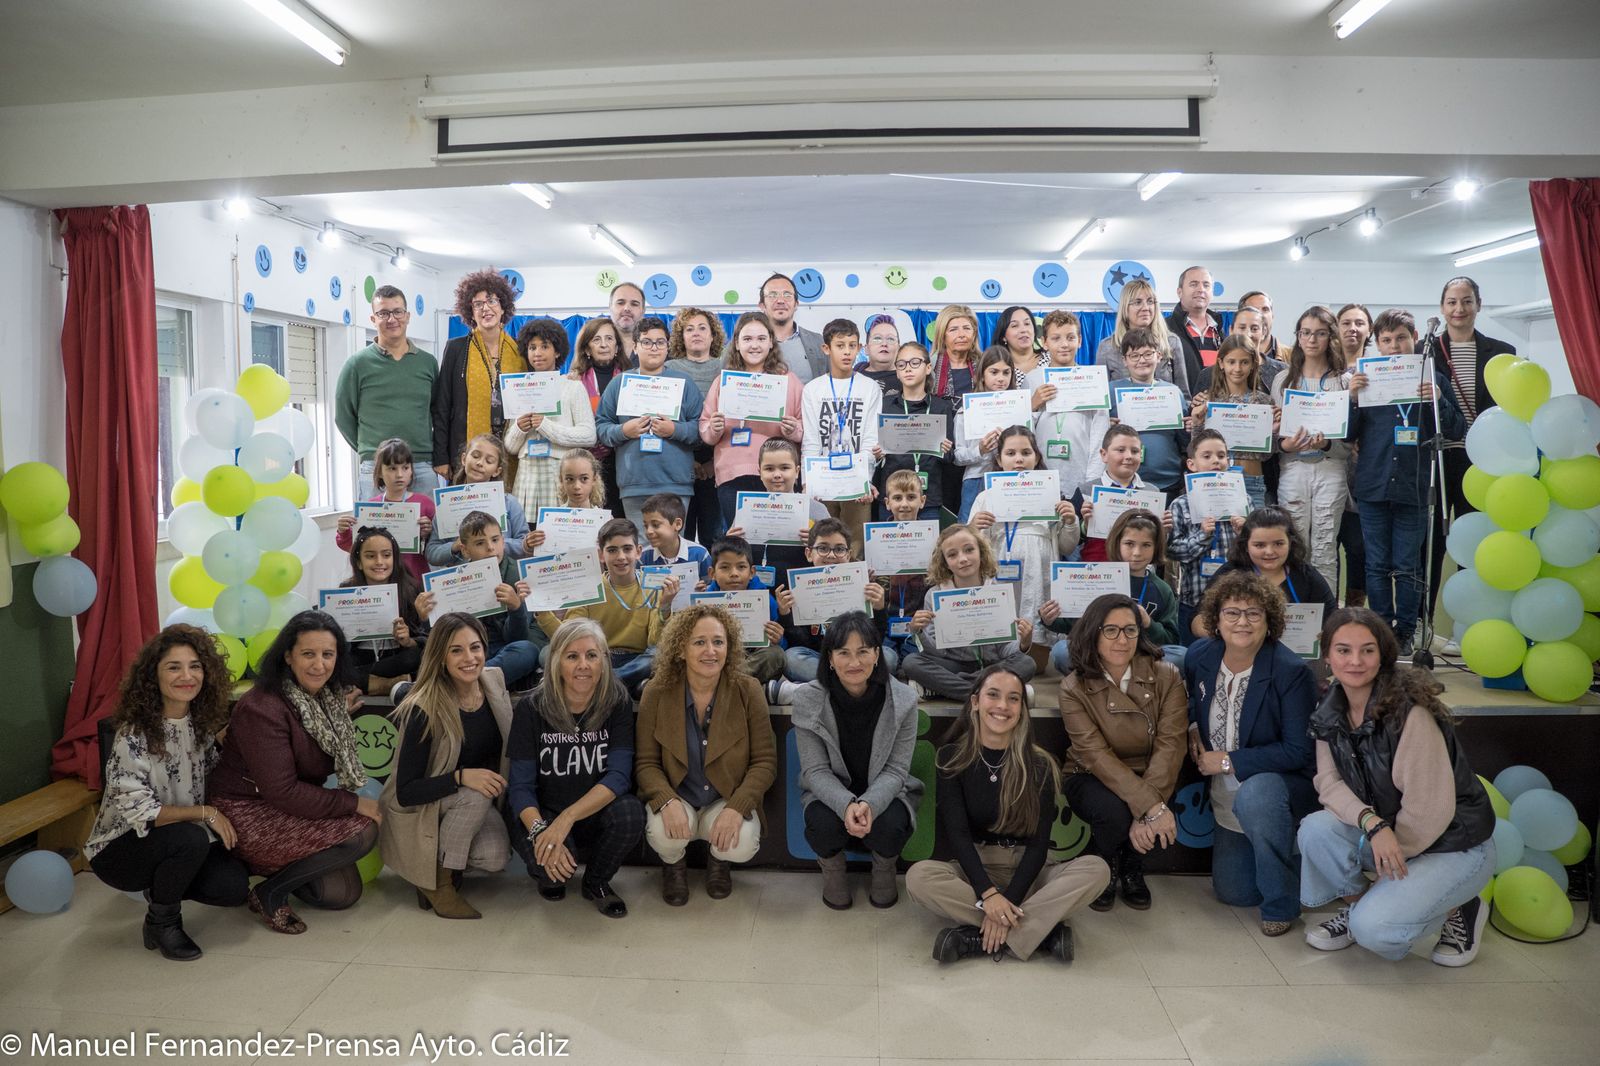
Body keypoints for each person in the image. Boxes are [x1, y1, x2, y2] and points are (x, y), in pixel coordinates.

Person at [1301, 608, 1495, 966]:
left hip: (1453, 844)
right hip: (1389, 831)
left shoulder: (1410, 714)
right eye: (1343, 650)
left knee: (1374, 930)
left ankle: (1460, 906)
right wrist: (1371, 824)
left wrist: (1388, 855)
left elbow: (1428, 810)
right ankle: (1360, 908)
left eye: (1367, 650)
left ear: (1383, 655)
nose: (1355, 661)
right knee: (1315, 830)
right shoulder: (1329, 709)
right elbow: (1329, 783)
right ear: (1327, 655)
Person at [907, 665, 1110, 963]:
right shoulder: (951, 759)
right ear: (975, 702)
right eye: (993, 695)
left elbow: (1040, 846)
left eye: (1013, 699)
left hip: (1030, 869)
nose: (1003, 706)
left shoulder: (1039, 764)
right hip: (975, 867)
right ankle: (1039, 933)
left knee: (1097, 869)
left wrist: (1010, 897)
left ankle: (978, 939)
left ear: (1022, 710)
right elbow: (959, 837)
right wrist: (988, 894)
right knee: (918, 877)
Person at [207, 612, 381, 934]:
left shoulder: (325, 701)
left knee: (342, 895)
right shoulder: (262, 707)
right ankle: (269, 892)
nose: (319, 665)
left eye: (328, 654)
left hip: (284, 804)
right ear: (288, 656)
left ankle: (281, 871)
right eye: (308, 654)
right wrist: (354, 803)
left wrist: (338, 713)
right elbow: (281, 791)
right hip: (245, 810)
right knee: (362, 832)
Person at [86, 626, 248, 960]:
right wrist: (207, 813)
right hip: (120, 849)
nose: (187, 676)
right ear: (152, 676)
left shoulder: (199, 726)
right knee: (189, 839)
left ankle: (163, 883)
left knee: (232, 886)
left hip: (178, 839)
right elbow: (144, 812)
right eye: (174, 667)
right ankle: (163, 924)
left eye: (195, 666)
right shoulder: (133, 735)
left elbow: (214, 773)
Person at [1184, 573, 1318, 935]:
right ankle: (1286, 859)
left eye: (1253, 613)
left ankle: (1282, 904)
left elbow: (1297, 751)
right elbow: (1193, 703)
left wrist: (1228, 760)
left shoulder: (1290, 672)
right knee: (1235, 893)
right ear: (1217, 618)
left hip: (1276, 790)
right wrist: (1194, 728)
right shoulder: (1201, 654)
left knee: (1257, 799)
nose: (1242, 622)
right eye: (1232, 613)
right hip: (1226, 796)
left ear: (1269, 620)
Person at [635, 604, 777, 904]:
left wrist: (737, 807)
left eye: (718, 641)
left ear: (730, 647)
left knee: (741, 842)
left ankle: (719, 861)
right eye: (699, 642)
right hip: (679, 796)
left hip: (723, 797)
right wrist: (666, 800)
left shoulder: (748, 689)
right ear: (680, 649)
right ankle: (673, 865)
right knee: (662, 831)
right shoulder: (656, 692)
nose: (710, 651)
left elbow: (764, 762)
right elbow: (646, 763)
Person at [507, 618, 645, 917]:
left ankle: (596, 882)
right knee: (553, 876)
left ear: (604, 661)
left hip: (590, 813)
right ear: (556, 661)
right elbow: (520, 787)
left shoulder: (617, 700)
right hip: (542, 813)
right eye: (572, 656)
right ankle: (552, 870)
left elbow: (619, 776)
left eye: (592, 655)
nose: (583, 665)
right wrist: (542, 830)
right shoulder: (530, 708)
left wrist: (566, 819)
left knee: (631, 812)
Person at [379, 613, 513, 919]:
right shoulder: (423, 707)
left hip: (465, 802)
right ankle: (438, 883)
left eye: (475, 647)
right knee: (476, 792)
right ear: (440, 656)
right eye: (456, 650)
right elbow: (407, 793)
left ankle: (433, 859)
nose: (470, 658)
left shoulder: (493, 680)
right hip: (424, 804)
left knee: (494, 857)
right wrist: (462, 776)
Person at [1058, 594, 1186, 912]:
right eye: (1111, 630)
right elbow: (1094, 754)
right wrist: (1151, 807)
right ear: (1093, 633)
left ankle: (1130, 863)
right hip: (1089, 774)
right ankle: (1102, 866)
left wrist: (1149, 807)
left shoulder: (1167, 676)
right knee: (1114, 811)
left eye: (1130, 630)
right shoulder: (1073, 686)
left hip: (1149, 770)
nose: (1122, 640)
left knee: (1146, 799)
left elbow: (1171, 744)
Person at [1348, 309, 1464, 653]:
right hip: (1373, 485)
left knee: (1408, 565)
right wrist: (1352, 400)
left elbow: (1456, 429)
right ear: (1378, 345)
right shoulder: (1365, 379)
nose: (1394, 346)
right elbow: (1346, 437)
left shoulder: (1433, 379)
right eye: (1386, 340)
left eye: (1400, 338)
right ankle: (1382, 630)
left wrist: (1439, 401)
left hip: (1415, 487)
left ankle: (1407, 632)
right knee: (1377, 564)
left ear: (1414, 338)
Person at [793, 611, 923, 910]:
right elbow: (815, 770)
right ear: (829, 658)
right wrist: (847, 804)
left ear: (878, 654)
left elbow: (896, 770)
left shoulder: (903, 700)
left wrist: (868, 805)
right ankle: (833, 869)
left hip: (886, 791)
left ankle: (884, 868)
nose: (854, 663)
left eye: (863, 651)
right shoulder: (807, 699)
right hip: (829, 792)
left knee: (891, 824)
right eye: (843, 653)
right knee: (821, 823)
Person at [1432, 276, 1518, 643]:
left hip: (1483, 462)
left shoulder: (1502, 350)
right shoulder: (1428, 352)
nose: (1459, 309)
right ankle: (1427, 625)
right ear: (1442, 307)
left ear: (1478, 305)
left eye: (1466, 301)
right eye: (1452, 302)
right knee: (1433, 544)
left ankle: (1469, 625)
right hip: (1438, 458)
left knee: (1474, 543)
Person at [967, 425, 1081, 657]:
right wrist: (974, 528)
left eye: (1026, 453)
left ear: (1036, 457)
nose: (1018, 459)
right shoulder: (985, 497)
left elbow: (1065, 546)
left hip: (1039, 576)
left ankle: (1032, 655)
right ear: (998, 459)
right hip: (999, 575)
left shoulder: (1052, 494)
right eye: (1011, 453)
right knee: (999, 642)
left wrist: (1070, 521)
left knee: (1035, 655)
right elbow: (971, 549)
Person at [532, 517, 671, 696]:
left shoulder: (653, 585)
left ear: (638, 552)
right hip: (595, 657)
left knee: (656, 655)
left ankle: (603, 683)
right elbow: (569, 636)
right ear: (600, 555)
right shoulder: (590, 587)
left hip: (637, 659)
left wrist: (665, 605)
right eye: (612, 550)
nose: (621, 557)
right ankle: (623, 685)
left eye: (627, 549)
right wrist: (543, 613)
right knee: (548, 653)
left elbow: (654, 641)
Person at [901, 524, 1038, 701]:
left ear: (981, 552)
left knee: (1026, 663)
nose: (963, 559)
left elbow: (1005, 650)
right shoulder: (935, 595)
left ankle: (952, 690)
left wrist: (1024, 643)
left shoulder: (999, 591)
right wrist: (917, 631)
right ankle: (996, 691)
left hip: (992, 664)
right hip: (953, 665)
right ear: (945, 562)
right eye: (952, 554)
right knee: (911, 662)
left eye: (969, 550)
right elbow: (937, 652)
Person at [596, 315, 706, 534]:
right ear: (635, 347)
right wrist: (623, 431)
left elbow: (700, 429)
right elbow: (601, 427)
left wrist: (674, 430)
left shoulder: (683, 383)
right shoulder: (620, 383)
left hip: (676, 484)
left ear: (667, 347)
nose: (654, 348)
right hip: (634, 484)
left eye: (660, 342)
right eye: (646, 342)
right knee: (641, 551)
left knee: (673, 548)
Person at [1271, 305, 1351, 590]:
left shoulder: (1344, 382)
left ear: (1331, 337)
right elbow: (1274, 436)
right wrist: (1285, 444)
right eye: (1305, 333)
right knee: (1294, 545)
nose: (1312, 340)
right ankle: (1294, 612)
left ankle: (1326, 617)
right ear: (1298, 337)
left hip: (1331, 468)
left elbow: (1349, 441)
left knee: (1325, 546)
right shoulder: (1283, 381)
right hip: (1293, 467)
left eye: (1320, 333)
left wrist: (1328, 443)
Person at [335, 285, 442, 496]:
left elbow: (437, 412)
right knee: (373, 529)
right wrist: (371, 450)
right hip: (376, 467)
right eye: (383, 313)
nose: (392, 319)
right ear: (373, 319)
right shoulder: (357, 364)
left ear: (408, 316)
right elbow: (343, 416)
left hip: (421, 465)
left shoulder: (427, 363)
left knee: (429, 528)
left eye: (397, 311)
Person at [701, 312, 805, 526]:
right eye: (747, 339)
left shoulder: (789, 381)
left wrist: (793, 430)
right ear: (737, 344)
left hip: (778, 474)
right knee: (741, 545)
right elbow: (705, 430)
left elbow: (806, 429)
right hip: (733, 475)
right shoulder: (724, 382)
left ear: (770, 343)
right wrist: (714, 428)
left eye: (761, 339)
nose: (754, 345)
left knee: (778, 541)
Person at [1047, 509, 1182, 672]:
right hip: (1100, 651)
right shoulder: (1095, 578)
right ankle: (1110, 678)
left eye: (1146, 545)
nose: (1137, 553)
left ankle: (1124, 676)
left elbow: (1171, 639)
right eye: (1129, 544)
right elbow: (1072, 625)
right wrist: (1050, 619)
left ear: (1156, 547)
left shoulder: (1162, 589)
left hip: (1141, 651)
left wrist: (1148, 623)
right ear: (1117, 543)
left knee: (1181, 656)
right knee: (1062, 651)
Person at [420, 509, 541, 688]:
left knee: (527, 650)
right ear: (465, 550)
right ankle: (478, 681)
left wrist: (516, 608)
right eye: (480, 543)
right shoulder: (454, 579)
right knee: (430, 653)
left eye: (495, 540)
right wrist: (425, 617)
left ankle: (458, 683)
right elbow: (441, 635)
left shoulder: (519, 575)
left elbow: (516, 638)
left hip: (501, 649)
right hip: (466, 651)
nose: (491, 548)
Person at [432, 270, 527, 486]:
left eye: (492, 301)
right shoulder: (457, 349)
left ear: (503, 307)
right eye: (477, 304)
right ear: (470, 312)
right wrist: (441, 457)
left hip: (510, 451)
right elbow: (442, 406)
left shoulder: (519, 352)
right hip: (466, 452)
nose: (485, 308)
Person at [775, 518, 897, 683]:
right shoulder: (798, 588)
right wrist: (785, 614)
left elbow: (876, 639)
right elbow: (801, 642)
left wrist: (879, 608)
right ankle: (854, 682)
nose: (831, 555)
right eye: (823, 548)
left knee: (889, 657)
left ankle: (829, 684)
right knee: (791, 658)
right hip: (820, 657)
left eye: (839, 549)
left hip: (856, 656)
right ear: (809, 554)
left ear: (848, 554)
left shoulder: (863, 585)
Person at [505, 317, 597, 519]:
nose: (537, 353)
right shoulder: (519, 388)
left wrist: (545, 426)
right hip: (527, 476)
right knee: (527, 539)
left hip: (561, 474)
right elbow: (510, 447)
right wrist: (519, 427)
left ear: (557, 351)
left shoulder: (572, 386)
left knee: (559, 536)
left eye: (544, 346)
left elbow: (589, 436)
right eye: (532, 347)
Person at [801, 318, 881, 551]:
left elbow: (870, 438)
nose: (847, 352)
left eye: (852, 345)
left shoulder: (869, 387)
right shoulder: (813, 389)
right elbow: (811, 441)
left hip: (856, 483)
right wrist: (808, 482)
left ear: (859, 348)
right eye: (840, 345)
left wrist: (864, 481)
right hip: (822, 481)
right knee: (821, 546)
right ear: (826, 348)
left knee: (854, 549)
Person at [1203, 507, 1338, 637]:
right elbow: (1198, 620)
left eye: (1278, 544)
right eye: (1259, 545)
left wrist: (1321, 636)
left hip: (1296, 657)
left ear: (1290, 543)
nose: (1269, 552)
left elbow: (1333, 620)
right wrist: (1228, 633)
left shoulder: (1305, 574)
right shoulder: (1230, 572)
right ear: (1245, 546)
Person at [1167, 429, 1248, 644]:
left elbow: (1257, 553)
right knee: (1192, 656)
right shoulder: (1181, 505)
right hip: (1194, 599)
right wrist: (1202, 535)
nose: (1216, 461)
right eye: (1207, 456)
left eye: (1221, 456)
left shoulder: (1243, 501)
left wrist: (1246, 533)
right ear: (1191, 464)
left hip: (1235, 598)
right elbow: (1174, 551)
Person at [1188, 335, 1276, 512]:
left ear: (1253, 364)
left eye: (1244, 362)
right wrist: (1197, 423)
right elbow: (1196, 447)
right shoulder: (1208, 400)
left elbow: (1267, 455)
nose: (1237, 368)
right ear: (1221, 363)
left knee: (1253, 534)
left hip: (1252, 481)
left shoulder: (1264, 402)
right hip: (1216, 480)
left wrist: (1272, 433)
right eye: (1231, 362)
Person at [334, 436, 436, 585]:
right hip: (380, 581)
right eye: (392, 468)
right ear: (380, 472)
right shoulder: (369, 507)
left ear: (411, 471)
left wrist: (427, 534)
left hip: (415, 580)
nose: (399, 474)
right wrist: (343, 532)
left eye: (405, 468)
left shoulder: (425, 504)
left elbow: (437, 547)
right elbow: (355, 547)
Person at [1028, 310, 1108, 497]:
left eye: (1070, 337)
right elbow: (1022, 431)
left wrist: (1091, 482)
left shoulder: (1092, 380)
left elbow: (1100, 434)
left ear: (1079, 340)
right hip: (1041, 473)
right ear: (1044, 343)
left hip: (1081, 474)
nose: (1064, 344)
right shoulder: (1033, 379)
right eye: (1056, 338)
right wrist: (1032, 405)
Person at [339, 526, 425, 697]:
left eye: (386, 555)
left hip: (398, 657)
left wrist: (407, 641)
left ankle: (367, 682)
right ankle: (391, 684)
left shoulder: (410, 589)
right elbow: (341, 646)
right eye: (370, 556)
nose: (379, 562)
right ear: (359, 562)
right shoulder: (346, 590)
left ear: (395, 558)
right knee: (338, 666)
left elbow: (423, 639)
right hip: (362, 655)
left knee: (414, 657)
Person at [668, 307, 730, 544]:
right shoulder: (669, 369)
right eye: (689, 329)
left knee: (714, 536)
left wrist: (713, 463)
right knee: (678, 536)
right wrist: (689, 462)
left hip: (718, 463)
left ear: (713, 335)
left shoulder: (725, 369)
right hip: (679, 460)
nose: (696, 333)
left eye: (702, 328)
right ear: (681, 336)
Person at [424, 432, 534, 565]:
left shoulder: (509, 503)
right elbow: (432, 553)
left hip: (502, 578)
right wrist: (456, 546)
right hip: (463, 580)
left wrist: (494, 542)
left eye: (489, 461)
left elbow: (524, 545)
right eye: (475, 456)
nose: (480, 463)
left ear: (497, 470)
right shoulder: (446, 502)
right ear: (464, 459)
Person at [874, 341, 955, 520]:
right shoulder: (884, 406)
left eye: (915, 363)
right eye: (901, 364)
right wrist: (876, 455)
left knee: (928, 547)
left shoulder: (941, 408)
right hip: (891, 499)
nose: (908, 369)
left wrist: (945, 450)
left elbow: (951, 457)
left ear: (927, 368)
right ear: (897, 371)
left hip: (928, 498)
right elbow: (874, 453)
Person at [1106, 327, 1189, 499]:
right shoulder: (1111, 391)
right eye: (1134, 356)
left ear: (1159, 356)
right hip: (1124, 481)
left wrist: (1190, 428)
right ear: (1124, 360)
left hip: (1168, 480)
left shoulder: (1173, 392)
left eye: (1148, 354)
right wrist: (1105, 426)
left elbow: (1184, 440)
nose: (1141, 360)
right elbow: (1099, 436)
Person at [699, 536, 788, 684]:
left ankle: (723, 684)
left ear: (752, 572)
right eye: (725, 567)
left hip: (751, 658)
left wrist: (779, 639)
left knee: (776, 655)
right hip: (716, 656)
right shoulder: (705, 602)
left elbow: (778, 644)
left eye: (741, 567)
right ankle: (739, 686)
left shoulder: (766, 601)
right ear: (712, 573)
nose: (734, 573)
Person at [570, 316, 631, 517]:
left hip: (624, 458)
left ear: (617, 346)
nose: (604, 345)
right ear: (587, 348)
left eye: (609, 339)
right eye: (596, 340)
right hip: (588, 459)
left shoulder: (632, 378)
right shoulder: (574, 381)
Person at [950, 348, 1019, 521]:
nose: (1001, 378)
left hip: (1012, 479)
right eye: (994, 372)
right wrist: (980, 449)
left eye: (1006, 372)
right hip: (976, 479)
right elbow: (957, 456)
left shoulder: (1020, 408)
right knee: (970, 531)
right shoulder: (966, 410)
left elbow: (1029, 449)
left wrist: (1010, 445)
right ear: (982, 375)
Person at [1096, 278, 1191, 397]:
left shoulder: (1171, 342)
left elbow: (1184, 394)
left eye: (1150, 301)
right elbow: (1100, 397)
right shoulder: (1107, 347)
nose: (1146, 308)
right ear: (1125, 308)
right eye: (1138, 302)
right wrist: (1106, 416)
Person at [752, 273, 826, 384]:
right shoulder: (744, 343)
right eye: (772, 295)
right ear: (762, 305)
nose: (780, 300)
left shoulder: (818, 342)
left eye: (787, 295)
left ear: (796, 304)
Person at [1168, 265, 1223, 390]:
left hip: (1216, 405)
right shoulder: (1165, 329)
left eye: (1206, 285)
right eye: (1194, 284)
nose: (1201, 289)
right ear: (1179, 292)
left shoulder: (1220, 331)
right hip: (1182, 405)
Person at [930, 303, 982, 400]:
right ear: (942, 335)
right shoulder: (930, 367)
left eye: (967, 328)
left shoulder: (984, 365)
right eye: (953, 329)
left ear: (974, 334)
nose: (961, 334)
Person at [984, 305, 1043, 383]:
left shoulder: (1050, 359)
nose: (1023, 330)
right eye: (1014, 326)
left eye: (1027, 324)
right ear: (1003, 336)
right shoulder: (998, 368)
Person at [858, 313, 902, 391]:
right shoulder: (854, 377)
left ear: (899, 348)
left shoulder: (908, 378)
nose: (884, 344)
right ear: (866, 348)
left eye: (890, 339)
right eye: (877, 338)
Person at [607, 281, 645, 364]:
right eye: (620, 303)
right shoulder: (593, 346)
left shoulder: (658, 347)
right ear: (610, 307)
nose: (627, 308)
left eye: (634, 304)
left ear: (643, 311)